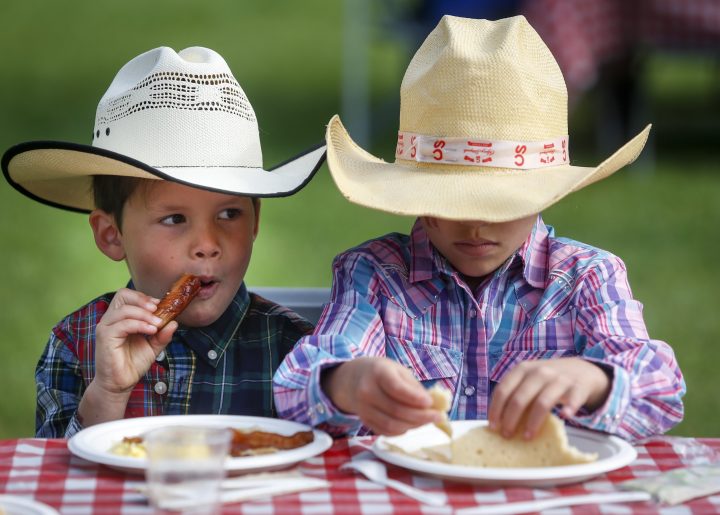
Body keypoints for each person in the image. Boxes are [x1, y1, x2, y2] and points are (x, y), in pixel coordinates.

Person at [273, 15, 685, 442]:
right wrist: (346, 382)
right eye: (453, 201)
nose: (477, 223)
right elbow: (294, 388)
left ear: (546, 194)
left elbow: (661, 391)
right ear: (413, 195)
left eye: (504, 203)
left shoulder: (587, 277)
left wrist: (594, 378)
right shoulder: (375, 275)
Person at [1, 46, 326, 438]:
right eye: (174, 219)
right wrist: (107, 392)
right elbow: (61, 486)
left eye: (229, 214)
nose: (207, 244)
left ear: (255, 219)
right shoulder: (76, 345)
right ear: (111, 235)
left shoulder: (296, 352)